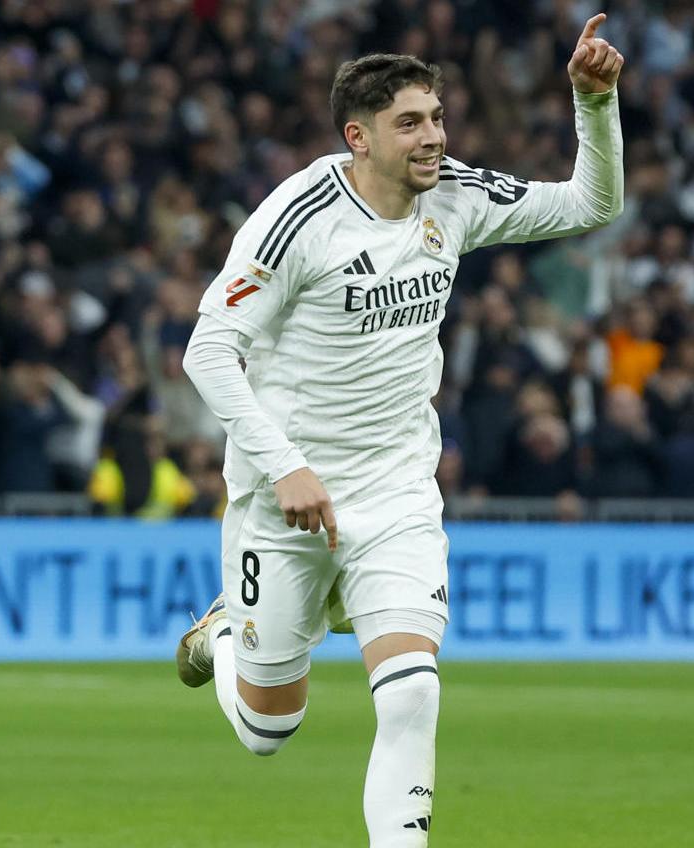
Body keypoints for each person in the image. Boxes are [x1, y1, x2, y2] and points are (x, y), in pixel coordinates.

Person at [173, 17, 624, 846]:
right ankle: (221, 639)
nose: (434, 138)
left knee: (413, 693)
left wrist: (592, 102)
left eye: (438, 117)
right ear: (359, 136)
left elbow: (593, 202)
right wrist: (285, 468)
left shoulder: (452, 194)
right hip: (287, 496)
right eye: (411, 123)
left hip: (397, 491)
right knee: (267, 732)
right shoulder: (298, 219)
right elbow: (207, 351)